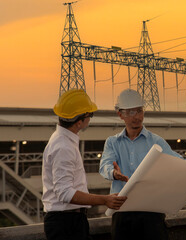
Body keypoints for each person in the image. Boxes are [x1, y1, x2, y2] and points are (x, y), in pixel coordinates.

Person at [99, 88, 186, 240]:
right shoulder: (112, 143)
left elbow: (178, 163)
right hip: (122, 213)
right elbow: (105, 165)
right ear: (120, 114)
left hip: (152, 214)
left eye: (139, 111)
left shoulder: (156, 142)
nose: (137, 117)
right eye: (131, 112)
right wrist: (114, 173)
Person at [42, 89, 127, 240]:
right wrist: (105, 199)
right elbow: (65, 193)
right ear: (79, 121)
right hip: (66, 223)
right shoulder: (64, 147)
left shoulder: (62, 140)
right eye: (90, 115)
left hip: (66, 221)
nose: (90, 119)